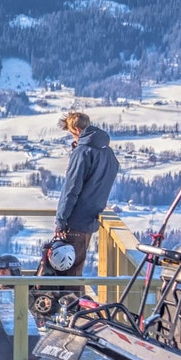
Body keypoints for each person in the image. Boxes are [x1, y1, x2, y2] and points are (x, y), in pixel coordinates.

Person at [42, 111, 119, 279]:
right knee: (77, 266)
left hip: (75, 220)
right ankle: (74, 302)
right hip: (91, 218)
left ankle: (70, 304)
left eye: (71, 132)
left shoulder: (83, 152)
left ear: (76, 129)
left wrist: (61, 221)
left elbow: (71, 189)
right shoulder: (107, 152)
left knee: (67, 271)